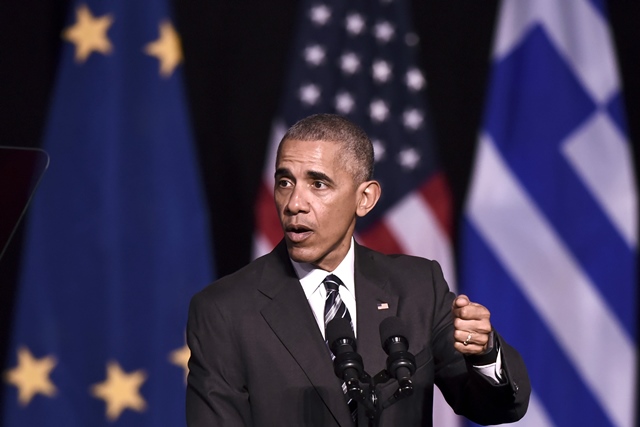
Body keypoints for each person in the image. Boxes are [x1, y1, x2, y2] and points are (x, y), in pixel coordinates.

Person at [186, 114, 530, 426]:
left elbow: (498, 408)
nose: (294, 204)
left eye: (318, 184)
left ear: (364, 198)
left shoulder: (418, 288)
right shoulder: (224, 310)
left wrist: (485, 354)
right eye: (285, 182)